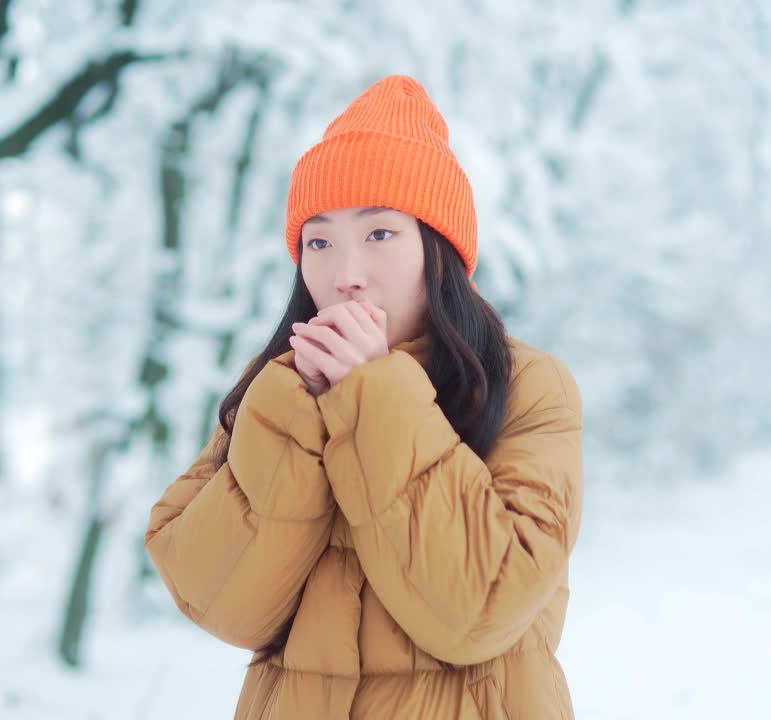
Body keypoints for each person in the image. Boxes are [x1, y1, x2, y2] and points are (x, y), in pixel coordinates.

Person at [144, 74, 584, 719]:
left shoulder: (529, 386)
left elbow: (481, 611)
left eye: (379, 235)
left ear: (440, 247)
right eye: (318, 242)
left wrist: (377, 396)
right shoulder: (276, 390)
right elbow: (222, 603)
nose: (345, 276)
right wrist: (293, 416)